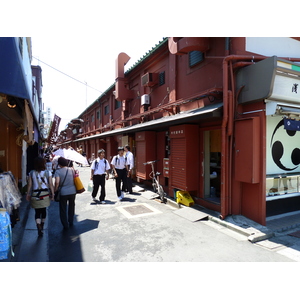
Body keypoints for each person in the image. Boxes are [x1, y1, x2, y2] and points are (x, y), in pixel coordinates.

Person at [26, 156, 54, 237]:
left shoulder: (31, 173)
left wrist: (28, 194)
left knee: (37, 212)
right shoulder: (48, 172)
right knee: (44, 210)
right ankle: (42, 224)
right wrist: (52, 194)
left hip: (35, 195)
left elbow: (29, 185)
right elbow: (51, 185)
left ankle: (38, 225)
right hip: (45, 194)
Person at [54, 157, 76, 229]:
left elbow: (57, 182)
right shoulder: (72, 170)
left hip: (63, 192)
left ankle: (65, 224)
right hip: (73, 191)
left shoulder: (58, 171)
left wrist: (55, 190)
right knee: (71, 206)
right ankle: (71, 221)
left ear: (59, 164)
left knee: (63, 208)